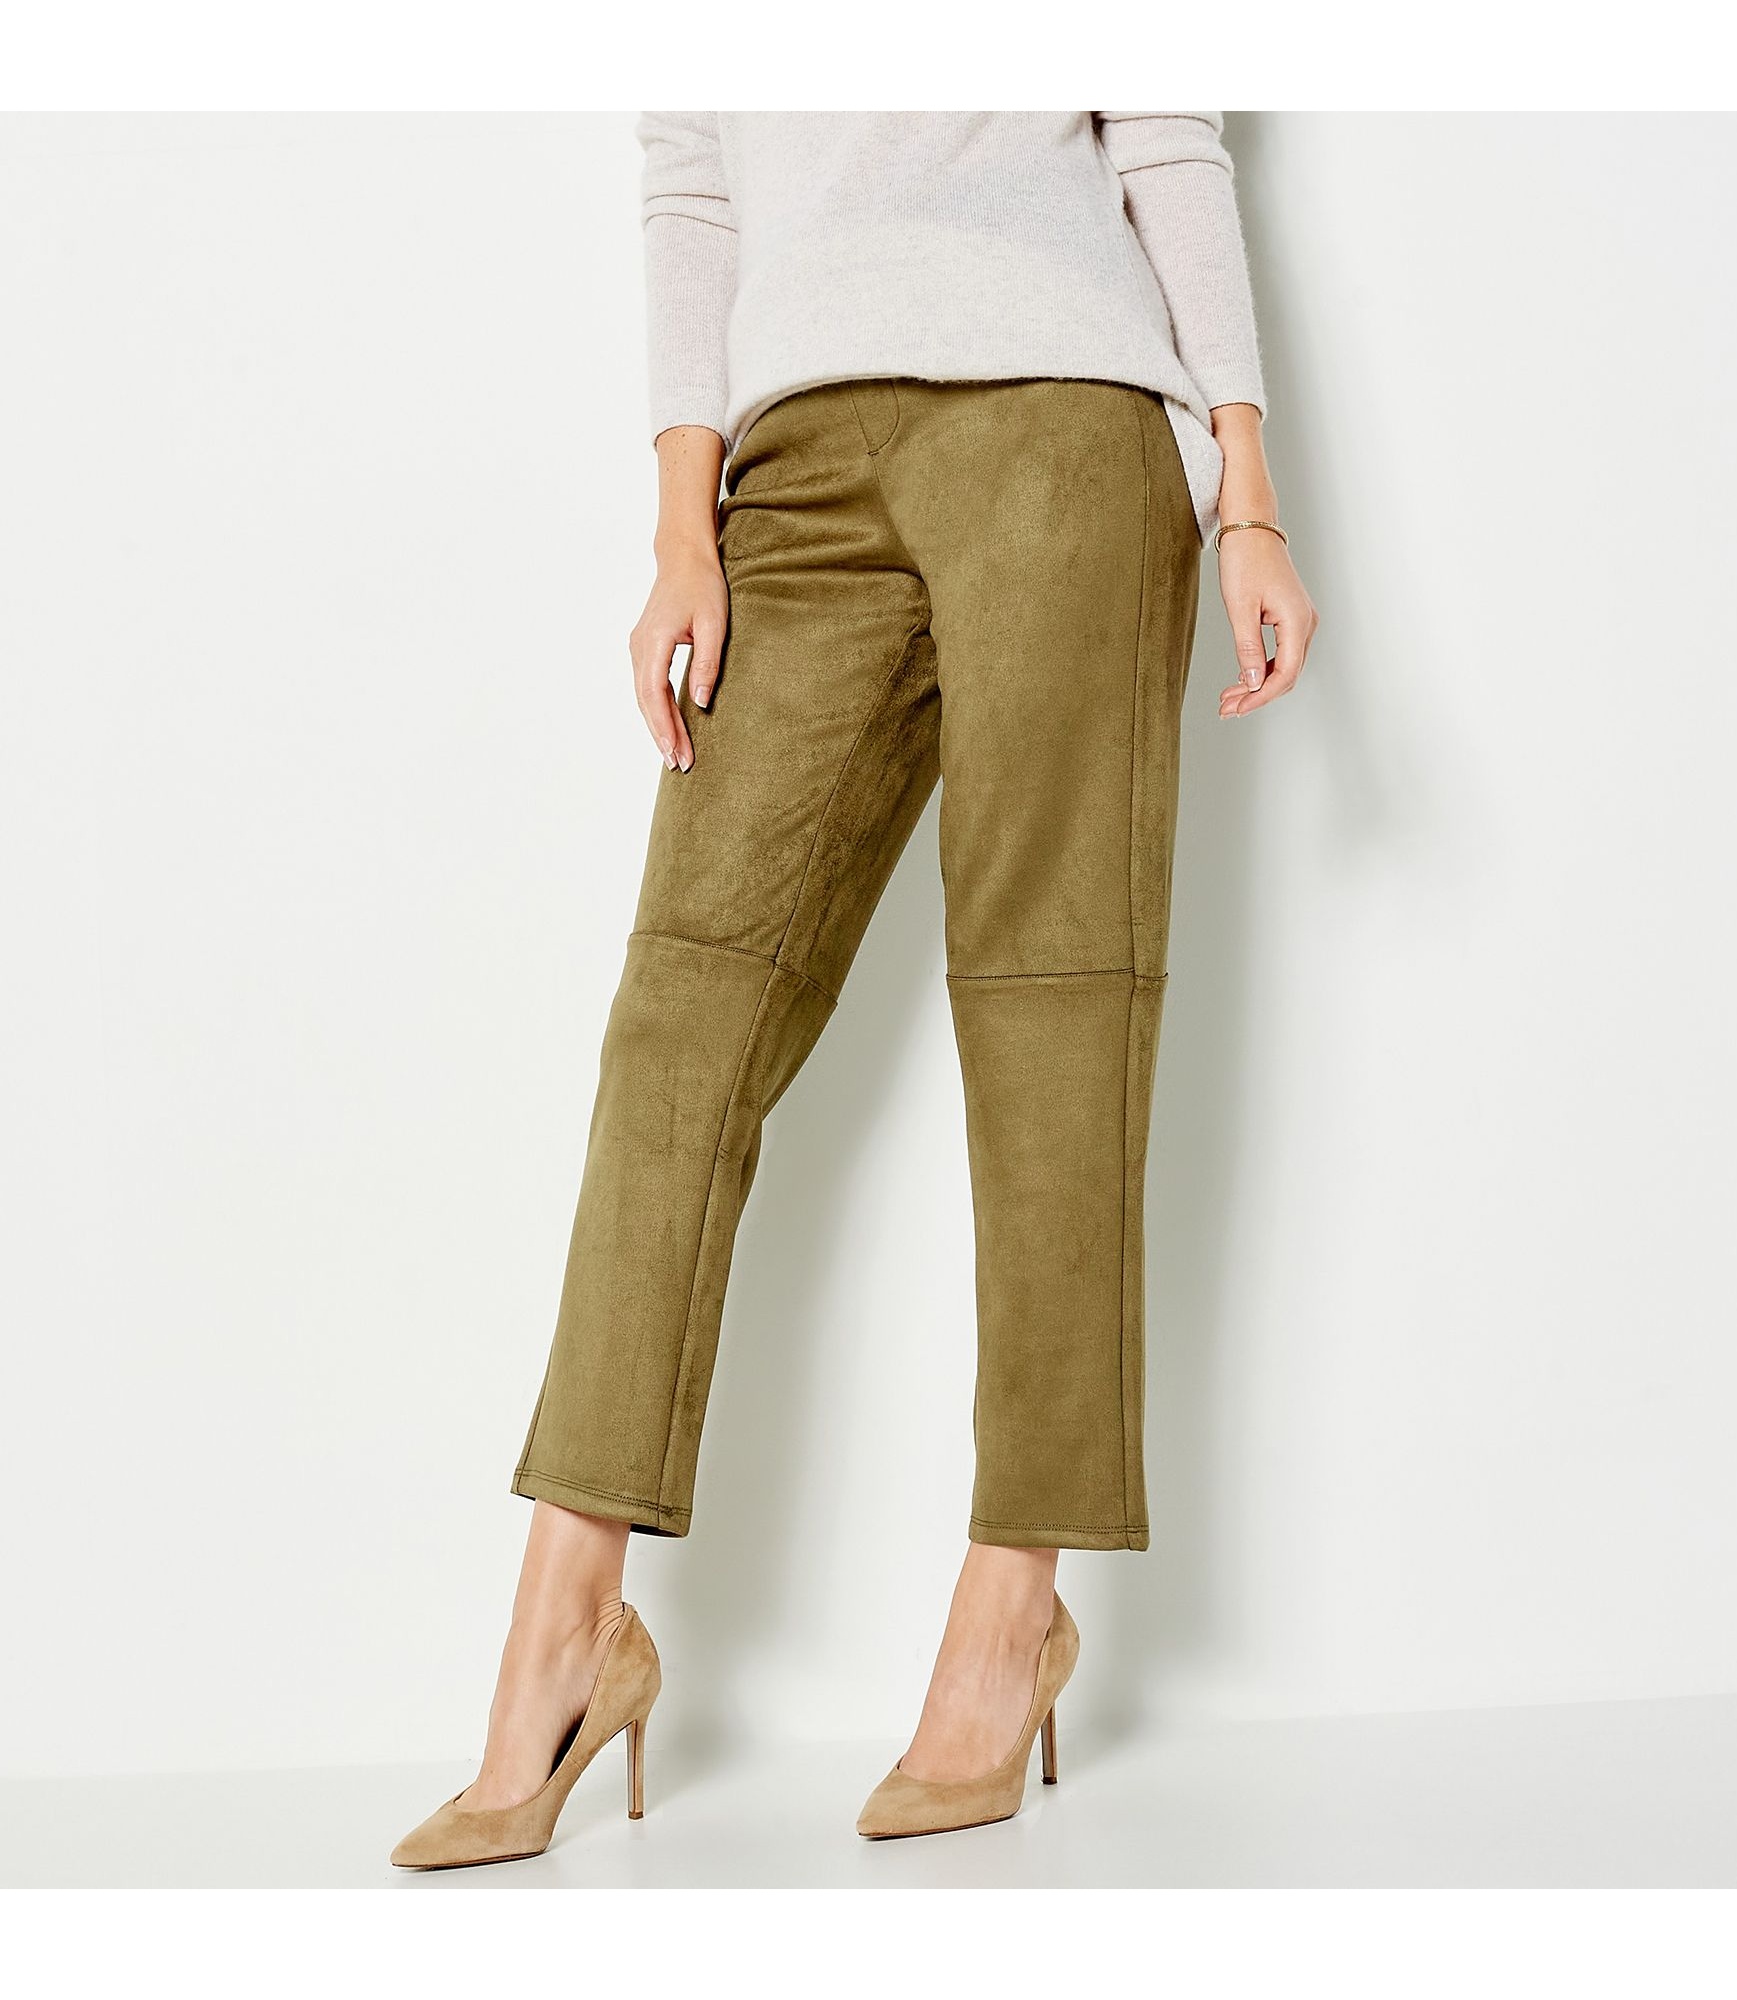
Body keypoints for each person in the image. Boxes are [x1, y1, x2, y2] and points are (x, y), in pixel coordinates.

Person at [392, 109, 1317, 1868]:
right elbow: (691, 178)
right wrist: (683, 528)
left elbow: (1167, 136)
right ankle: (569, 1619)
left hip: (1066, 418)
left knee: (1054, 1005)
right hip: (796, 464)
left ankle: (1010, 1609)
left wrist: (1247, 494)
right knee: (684, 1017)